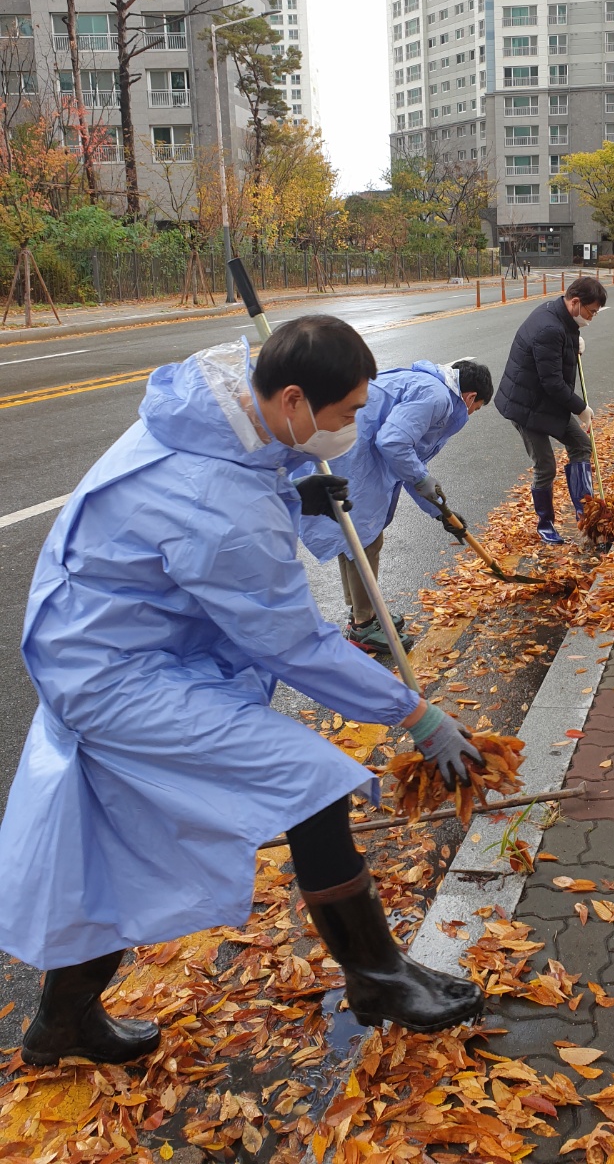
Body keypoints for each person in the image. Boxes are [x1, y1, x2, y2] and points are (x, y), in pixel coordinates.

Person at [0, 316, 484, 1067]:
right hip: (114, 672)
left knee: (107, 841)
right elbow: (292, 641)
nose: (353, 427)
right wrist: (415, 713)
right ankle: (379, 976)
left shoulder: (217, 410)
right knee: (310, 783)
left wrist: (297, 484)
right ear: (292, 399)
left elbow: (246, 474)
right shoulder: (217, 505)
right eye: (348, 412)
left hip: (107, 640)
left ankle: (63, 1022)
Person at [297, 358, 494, 655]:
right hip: (350, 452)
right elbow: (393, 443)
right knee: (363, 537)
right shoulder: (437, 397)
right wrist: (427, 485)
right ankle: (363, 625)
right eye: (475, 409)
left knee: (353, 534)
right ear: (469, 397)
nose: (470, 414)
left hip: (348, 446)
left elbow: (411, 465)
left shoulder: (429, 387)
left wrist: (439, 510)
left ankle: (364, 612)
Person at [494, 274, 607, 543]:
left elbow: (558, 353)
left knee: (581, 444)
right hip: (526, 405)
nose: (591, 318)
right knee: (545, 466)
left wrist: (573, 342)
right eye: (590, 312)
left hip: (544, 400)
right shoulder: (549, 327)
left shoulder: (561, 317)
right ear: (576, 302)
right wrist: (581, 408)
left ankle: (585, 514)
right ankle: (545, 524)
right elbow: (553, 382)